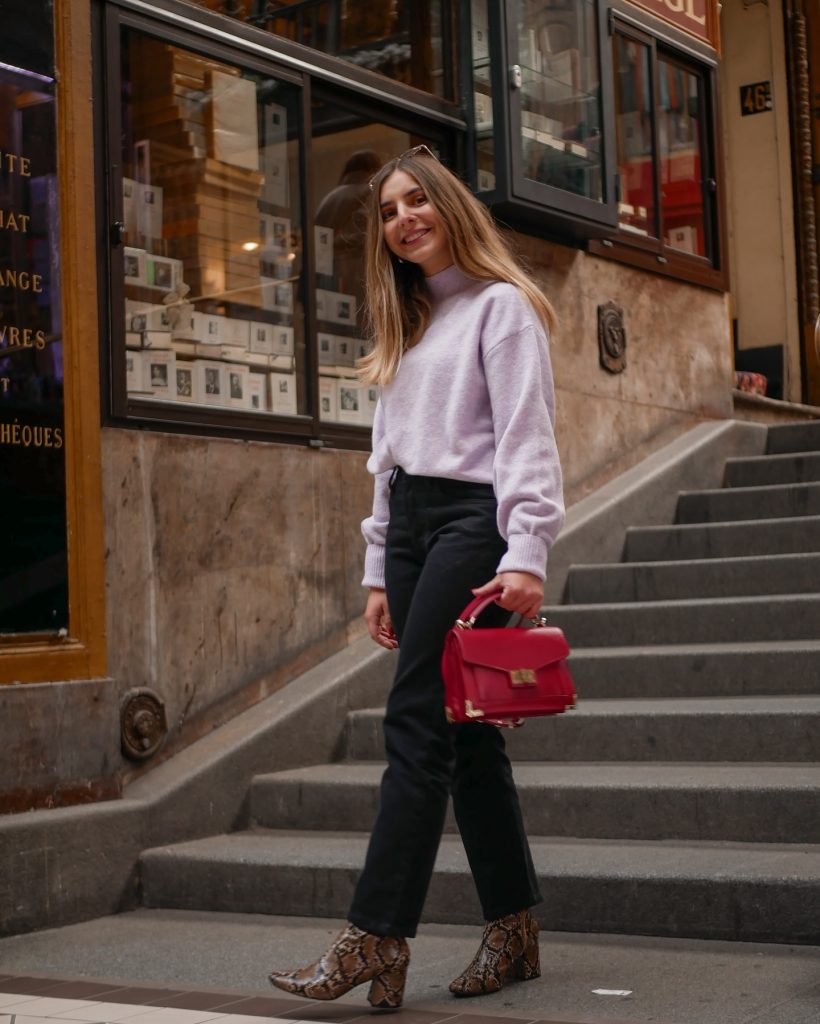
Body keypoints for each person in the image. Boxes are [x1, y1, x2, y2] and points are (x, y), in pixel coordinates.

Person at [269, 146, 564, 1009]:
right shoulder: (407, 321)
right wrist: (375, 572)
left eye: (416, 201)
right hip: (410, 527)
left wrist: (527, 552)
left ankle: (375, 933)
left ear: (449, 207)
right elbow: (385, 461)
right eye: (389, 210)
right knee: (466, 734)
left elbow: (526, 437)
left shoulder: (501, 308)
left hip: (477, 522)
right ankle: (514, 929)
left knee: (415, 718)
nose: (403, 218)